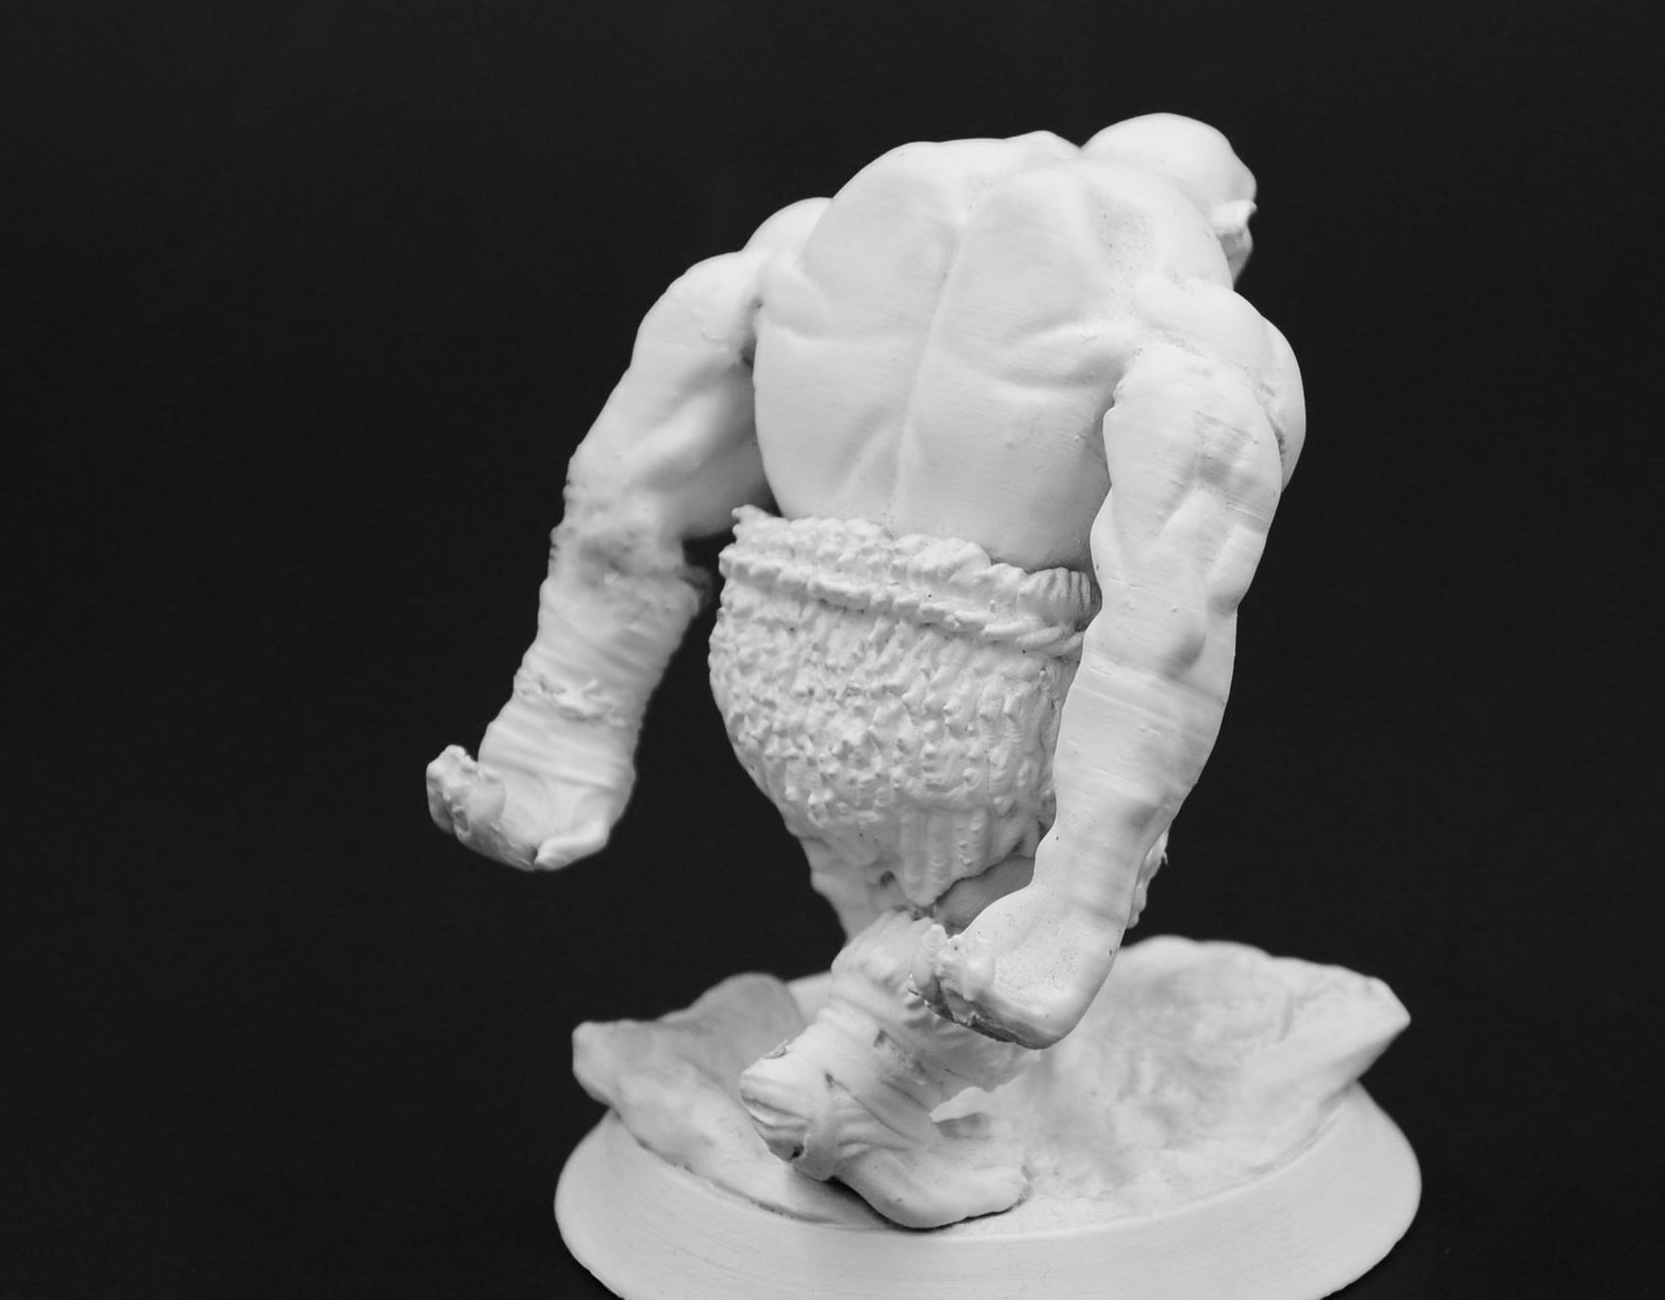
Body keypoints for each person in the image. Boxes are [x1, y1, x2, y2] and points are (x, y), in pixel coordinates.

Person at [427, 114, 1305, 1226]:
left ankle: (864, 1038)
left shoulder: (809, 238)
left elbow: (623, 492)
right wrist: (1081, 896)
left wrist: (558, 725)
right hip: (979, 686)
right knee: (990, 918)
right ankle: (856, 1095)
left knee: (875, 880)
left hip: (776, 654)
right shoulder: (1194, 323)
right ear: (1231, 228)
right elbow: (1165, 622)